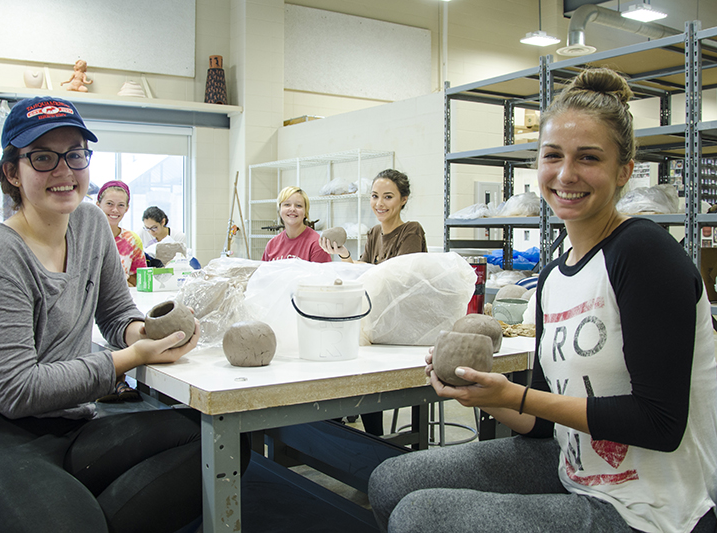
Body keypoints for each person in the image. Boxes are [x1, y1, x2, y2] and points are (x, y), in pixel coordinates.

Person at [368, 68, 717, 533]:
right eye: (553, 155)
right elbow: (544, 423)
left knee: (419, 517)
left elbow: (660, 424)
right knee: (390, 481)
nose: (566, 174)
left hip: (651, 509)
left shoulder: (643, 252)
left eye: (588, 158)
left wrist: (515, 394)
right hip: (572, 468)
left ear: (624, 171)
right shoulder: (553, 276)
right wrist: (481, 393)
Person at [0, 96, 206, 533]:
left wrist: (146, 334)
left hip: (66, 422)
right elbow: (15, 390)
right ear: (12, 173)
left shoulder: (91, 224)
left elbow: (116, 313)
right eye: (42, 157)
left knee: (211, 446)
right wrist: (131, 358)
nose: (64, 171)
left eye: (75, 154)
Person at [320, 169, 427, 436]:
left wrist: (361, 268)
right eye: (375, 196)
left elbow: (398, 278)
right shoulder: (375, 232)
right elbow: (363, 270)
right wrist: (343, 254)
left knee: (363, 365)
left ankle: (374, 440)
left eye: (388, 196)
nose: (379, 203)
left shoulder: (411, 230)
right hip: (378, 319)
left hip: (403, 325)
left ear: (403, 199)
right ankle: (343, 432)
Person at [97, 180, 147, 287]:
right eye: (109, 204)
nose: (115, 210)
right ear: (98, 205)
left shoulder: (132, 240)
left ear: (126, 208)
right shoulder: (86, 237)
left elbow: (139, 281)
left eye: (121, 205)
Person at [263, 186, 330, 263]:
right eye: (287, 204)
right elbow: (263, 270)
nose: (292, 209)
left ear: (305, 213)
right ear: (279, 210)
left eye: (298, 205)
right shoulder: (272, 244)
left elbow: (322, 271)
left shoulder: (317, 244)